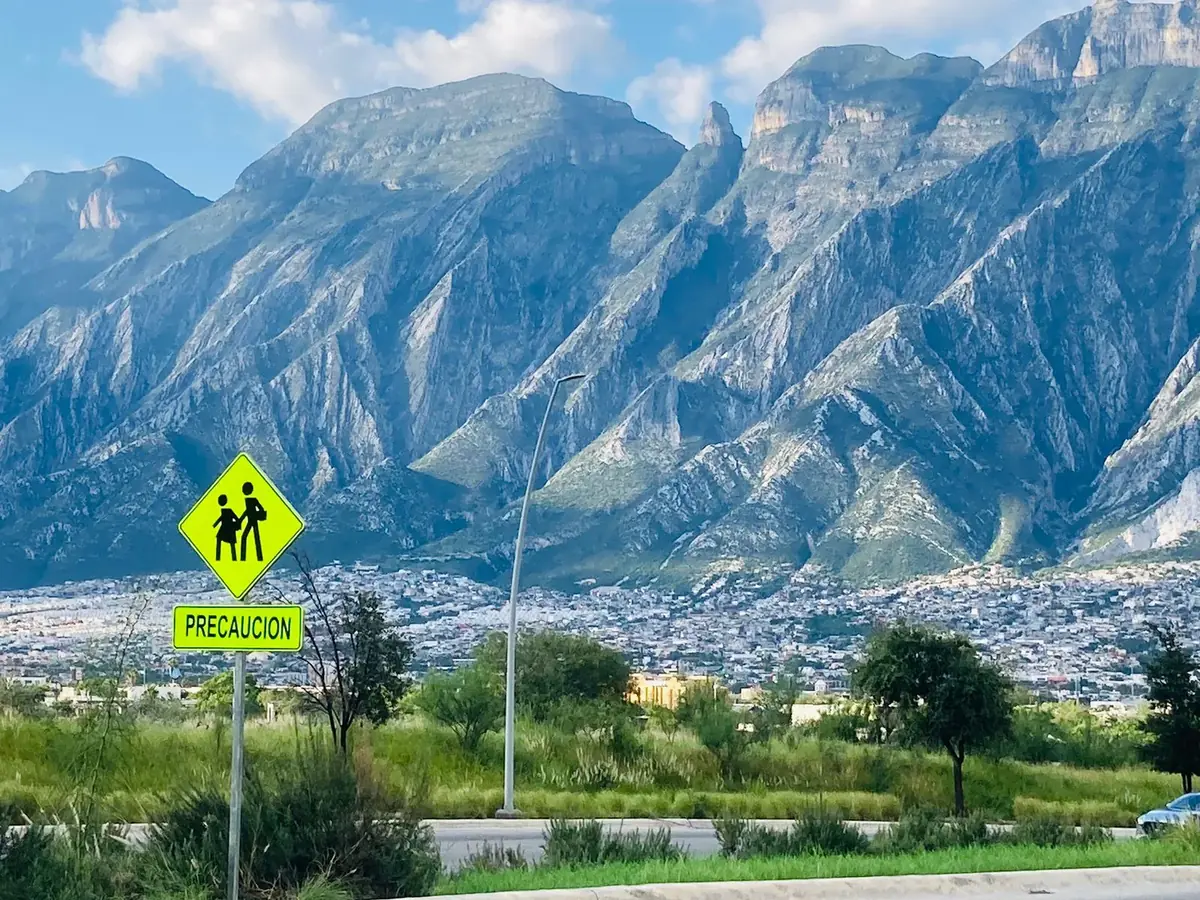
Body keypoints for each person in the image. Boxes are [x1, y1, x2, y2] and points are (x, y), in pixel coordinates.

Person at [239, 481, 267, 563]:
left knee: (251, 538)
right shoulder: (248, 500)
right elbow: (247, 511)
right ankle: (245, 558)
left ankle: (255, 558)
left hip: (253, 520)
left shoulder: (253, 500)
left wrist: (241, 519)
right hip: (250, 520)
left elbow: (260, 509)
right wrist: (241, 520)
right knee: (252, 538)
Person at [213, 494, 240, 561]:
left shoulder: (229, 511)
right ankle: (218, 558)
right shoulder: (224, 511)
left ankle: (234, 559)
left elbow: (236, 518)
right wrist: (215, 524)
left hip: (229, 529)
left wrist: (236, 524)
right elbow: (221, 518)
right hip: (224, 528)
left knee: (231, 544)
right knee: (219, 540)